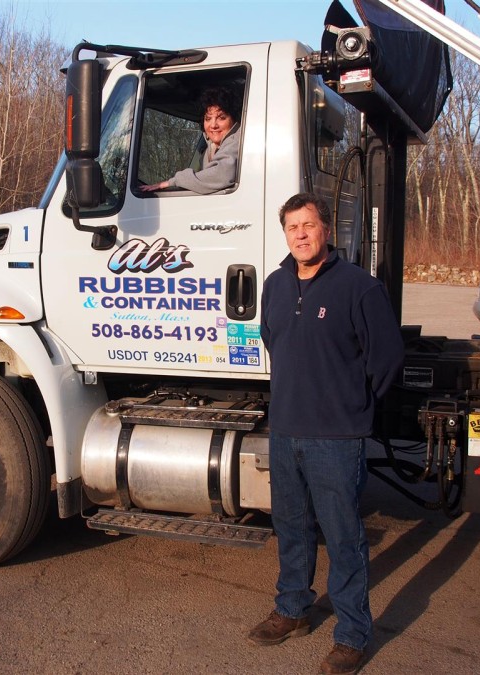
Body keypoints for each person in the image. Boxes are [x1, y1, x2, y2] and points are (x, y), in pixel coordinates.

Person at [248, 193, 404, 675]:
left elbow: (387, 359)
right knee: (291, 528)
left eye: (308, 225)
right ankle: (292, 609)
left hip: (336, 437)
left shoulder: (359, 287)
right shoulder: (275, 285)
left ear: (327, 229)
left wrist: (353, 406)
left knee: (343, 537)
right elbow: (272, 337)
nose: (300, 234)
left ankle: (352, 635)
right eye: (292, 227)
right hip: (287, 428)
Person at [139, 86, 240, 195]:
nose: (213, 125)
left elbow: (221, 174)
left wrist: (174, 181)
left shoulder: (238, 142)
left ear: (233, 119)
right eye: (208, 118)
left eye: (221, 118)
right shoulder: (209, 148)